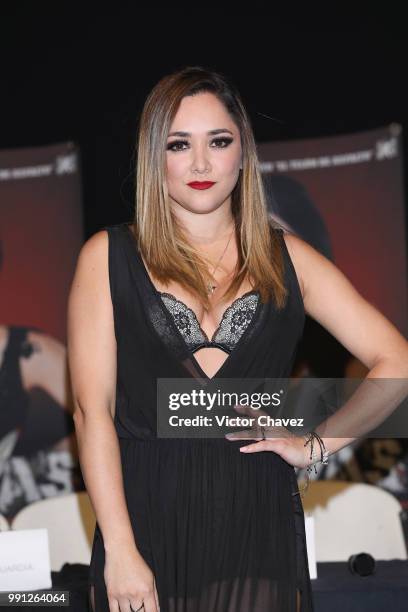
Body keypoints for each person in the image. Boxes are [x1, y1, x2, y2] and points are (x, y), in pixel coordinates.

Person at [67, 66, 408, 612]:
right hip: (146, 522)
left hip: (256, 521)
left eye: (218, 141)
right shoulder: (106, 258)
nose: (200, 163)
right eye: (179, 144)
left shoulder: (289, 258)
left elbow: (398, 362)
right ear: (154, 157)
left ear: (243, 152)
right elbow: (92, 414)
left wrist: (316, 445)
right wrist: (122, 550)